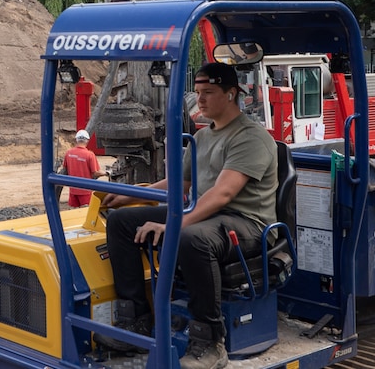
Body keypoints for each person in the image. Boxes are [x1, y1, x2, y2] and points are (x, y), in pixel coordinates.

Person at [96, 62, 277, 369]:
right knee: (122, 222)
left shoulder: (251, 138)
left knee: (190, 236)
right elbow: (181, 183)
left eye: (208, 92)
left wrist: (174, 224)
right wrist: (129, 197)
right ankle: (137, 321)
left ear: (231, 94)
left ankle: (209, 340)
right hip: (208, 213)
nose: (201, 99)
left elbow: (223, 194)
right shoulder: (205, 136)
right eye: (198, 92)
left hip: (246, 222)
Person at [62, 129, 107, 207]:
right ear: (87, 140)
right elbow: (95, 173)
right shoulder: (89, 155)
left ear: (76, 139)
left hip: (73, 190)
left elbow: (65, 169)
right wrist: (107, 173)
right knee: (86, 213)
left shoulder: (69, 153)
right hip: (86, 191)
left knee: (75, 213)